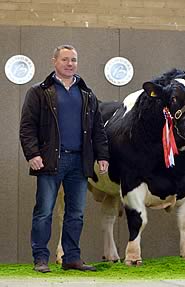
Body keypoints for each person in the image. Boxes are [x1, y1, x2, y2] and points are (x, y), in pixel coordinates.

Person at [19, 45, 109, 273]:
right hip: (50, 161)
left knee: (76, 213)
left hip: (80, 162)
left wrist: (102, 155)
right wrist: (32, 154)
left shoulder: (87, 94)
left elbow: (97, 128)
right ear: (54, 61)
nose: (70, 64)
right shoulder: (39, 91)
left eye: (74, 60)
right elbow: (27, 127)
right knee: (44, 211)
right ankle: (40, 258)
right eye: (65, 59)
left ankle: (71, 258)